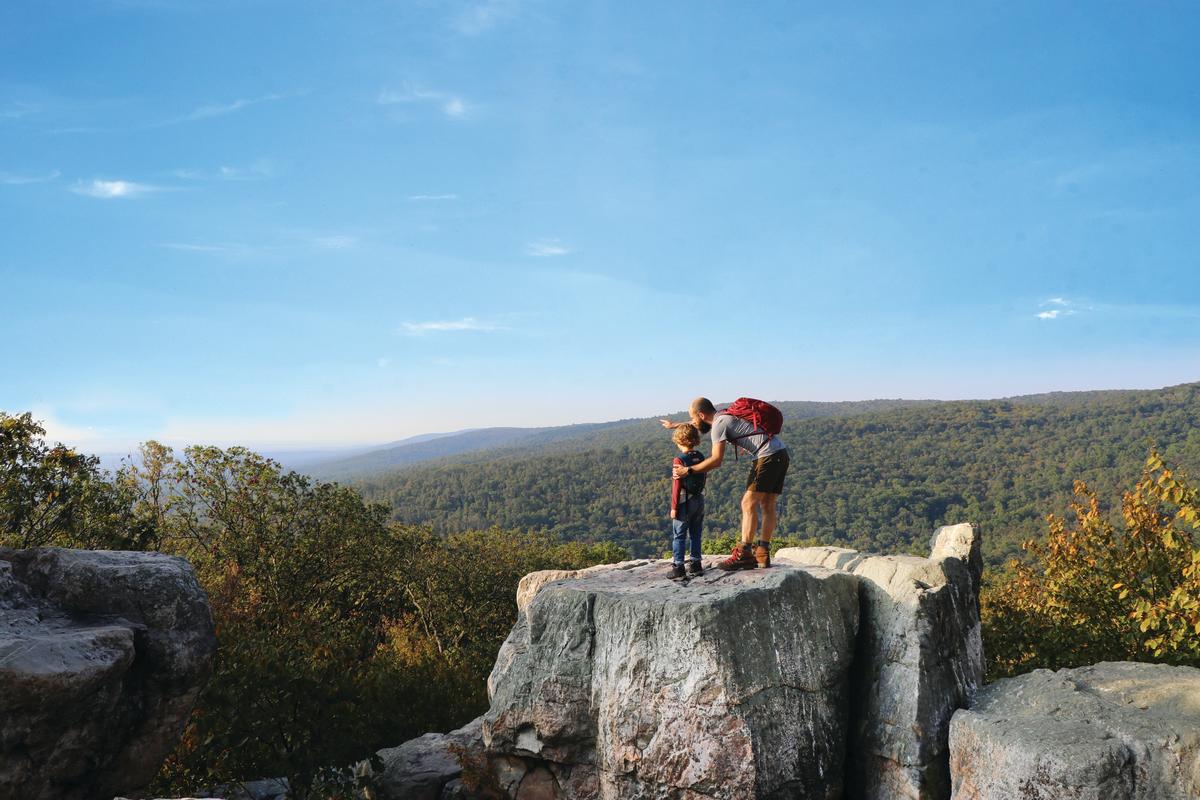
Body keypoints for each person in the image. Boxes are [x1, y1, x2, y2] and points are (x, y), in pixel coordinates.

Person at [660, 397, 789, 570]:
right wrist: (675, 425)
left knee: (748, 503)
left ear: (701, 414)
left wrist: (688, 470)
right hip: (780, 453)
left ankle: (744, 554)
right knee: (768, 504)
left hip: (766, 457)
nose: (693, 422)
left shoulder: (719, 425)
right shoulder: (724, 414)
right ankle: (762, 554)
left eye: (694, 417)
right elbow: (696, 421)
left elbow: (716, 460)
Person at [668, 423, 707, 579]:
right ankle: (696, 565)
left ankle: (678, 568)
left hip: (684, 502)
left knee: (679, 535)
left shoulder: (679, 460)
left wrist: (673, 507)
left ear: (678, 440)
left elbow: (677, 485)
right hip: (699, 499)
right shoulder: (701, 456)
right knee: (696, 533)